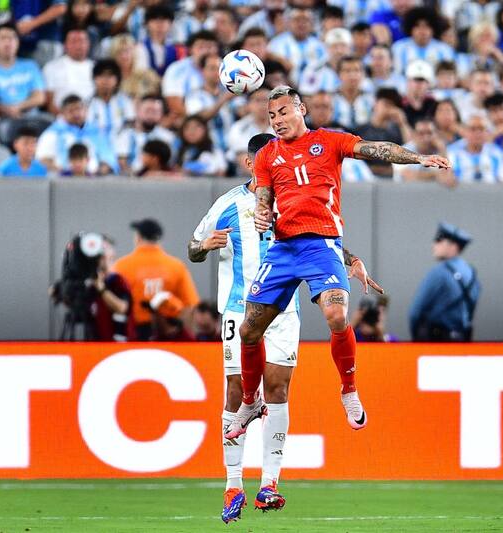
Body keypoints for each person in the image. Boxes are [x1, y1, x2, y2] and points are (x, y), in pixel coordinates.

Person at [224, 85, 448, 445]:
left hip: (322, 245)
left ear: (301, 109)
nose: (277, 120)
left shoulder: (329, 141)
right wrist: (264, 214)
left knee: (336, 315)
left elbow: (378, 150)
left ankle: (349, 389)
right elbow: (264, 197)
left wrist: (418, 158)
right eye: (272, 116)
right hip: (283, 250)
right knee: (249, 331)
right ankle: (250, 402)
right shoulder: (266, 155)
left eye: (283, 112)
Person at [189, 132, 380, 520]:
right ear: (251, 164)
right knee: (236, 390)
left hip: (285, 310)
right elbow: (193, 247)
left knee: (277, 390)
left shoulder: (291, 197)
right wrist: (204, 246)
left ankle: (270, 484)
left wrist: (351, 258)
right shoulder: (227, 204)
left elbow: (317, 241)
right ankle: (231, 484)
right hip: (238, 309)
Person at [112, 218, 200, 341]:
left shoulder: (121, 266)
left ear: (138, 237)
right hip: (169, 332)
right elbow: (190, 305)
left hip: (134, 333)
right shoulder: (176, 266)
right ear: (158, 239)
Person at [410, 222, 480, 341]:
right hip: (463, 339)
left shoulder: (439, 272)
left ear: (453, 246)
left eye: (439, 240)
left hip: (438, 341)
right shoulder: (471, 273)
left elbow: (415, 312)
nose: (434, 245)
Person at [36, 94, 119, 175]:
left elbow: (109, 159)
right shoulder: (53, 133)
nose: (76, 114)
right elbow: (42, 160)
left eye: (79, 109)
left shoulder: (96, 132)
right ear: (62, 113)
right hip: (62, 181)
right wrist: (64, 173)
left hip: (93, 180)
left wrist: (98, 173)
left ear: (86, 110)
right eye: (71, 111)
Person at [0, 23, 46, 121]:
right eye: (3, 38)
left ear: (18, 42)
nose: (8, 42)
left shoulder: (30, 66)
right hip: (1, 118)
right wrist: (5, 110)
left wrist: (18, 107)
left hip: (31, 118)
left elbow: (40, 97)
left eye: (12, 38)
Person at [117, 93, 176, 174]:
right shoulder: (125, 135)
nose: (151, 115)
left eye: (155, 111)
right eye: (147, 110)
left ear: (162, 114)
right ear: (137, 110)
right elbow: (122, 162)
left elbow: (170, 163)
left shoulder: (168, 137)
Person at [42, 26, 94, 114]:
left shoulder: (95, 67)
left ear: (88, 44)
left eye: (82, 41)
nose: (78, 45)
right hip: (61, 119)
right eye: (74, 41)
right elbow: (49, 104)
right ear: (65, 45)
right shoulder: (51, 67)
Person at [92, 235, 134, 342]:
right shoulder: (90, 282)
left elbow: (122, 308)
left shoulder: (117, 281)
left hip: (116, 345)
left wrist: (101, 289)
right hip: (94, 343)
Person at [446, 114, 503, 183]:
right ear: (465, 131)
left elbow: (502, 181)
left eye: (481, 129)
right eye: (473, 129)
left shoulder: (496, 153)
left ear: (487, 132)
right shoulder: (452, 152)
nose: (478, 133)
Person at [87, 58, 135, 143]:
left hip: (122, 146)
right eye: (101, 75)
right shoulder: (87, 103)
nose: (105, 80)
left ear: (117, 79)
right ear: (94, 79)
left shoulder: (126, 102)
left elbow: (130, 124)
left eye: (110, 76)